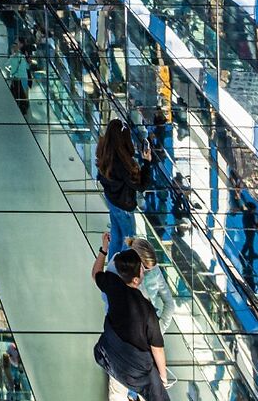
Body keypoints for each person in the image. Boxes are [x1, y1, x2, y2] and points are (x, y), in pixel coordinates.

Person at [91, 235, 169, 401]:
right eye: (143, 269)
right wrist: (163, 377)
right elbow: (157, 348)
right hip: (134, 365)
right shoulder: (146, 309)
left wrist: (103, 249)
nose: (144, 271)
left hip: (111, 353)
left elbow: (96, 274)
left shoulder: (113, 284)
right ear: (136, 278)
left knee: (117, 393)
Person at [96, 119, 147, 246]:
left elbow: (102, 178)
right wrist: (147, 163)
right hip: (124, 206)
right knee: (128, 240)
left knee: (117, 236)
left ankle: (113, 264)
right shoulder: (123, 162)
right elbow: (140, 186)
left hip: (113, 202)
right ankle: (123, 265)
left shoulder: (105, 156)